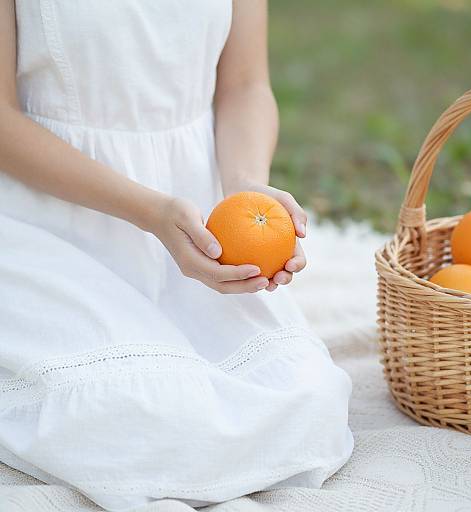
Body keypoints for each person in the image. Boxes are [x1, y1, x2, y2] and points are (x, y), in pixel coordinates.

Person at [0, 1, 353, 510]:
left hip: (194, 216)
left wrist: (243, 190)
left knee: (305, 400)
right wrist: (149, 212)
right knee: (134, 416)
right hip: (43, 216)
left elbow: (246, 86)